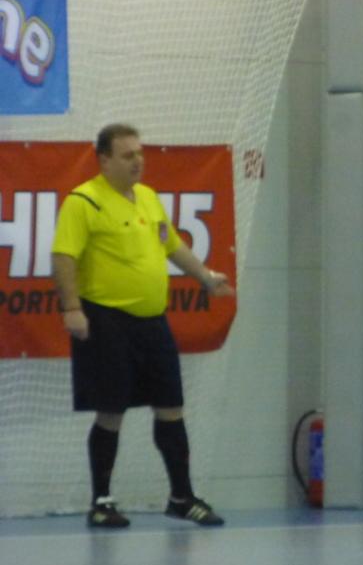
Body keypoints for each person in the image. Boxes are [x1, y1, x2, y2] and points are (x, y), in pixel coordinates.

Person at [51, 123, 235, 529]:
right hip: (106, 321)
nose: (138, 161)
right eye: (127, 155)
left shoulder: (148, 198)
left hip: (153, 323)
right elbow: (64, 256)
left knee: (171, 407)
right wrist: (72, 308)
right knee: (111, 411)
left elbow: (172, 245)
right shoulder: (84, 201)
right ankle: (101, 502)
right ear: (104, 160)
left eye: (140, 153)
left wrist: (205, 277)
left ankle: (182, 497)